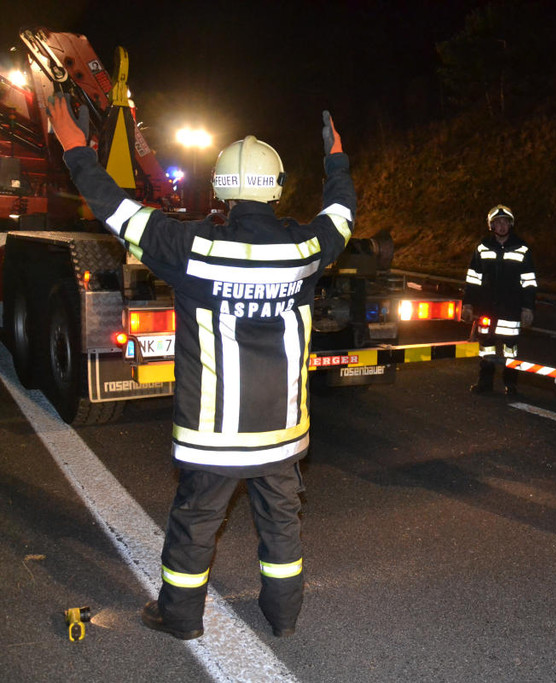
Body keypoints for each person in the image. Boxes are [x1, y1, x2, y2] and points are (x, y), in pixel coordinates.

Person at [46, 94, 355, 640]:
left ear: (221, 189)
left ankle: (181, 617)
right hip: (282, 433)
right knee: (282, 528)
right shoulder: (305, 249)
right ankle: (283, 618)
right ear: (276, 188)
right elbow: (342, 215)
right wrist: (336, 161)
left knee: (194, 525)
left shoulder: (191, 247)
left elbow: (115, 210)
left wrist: (75, 148)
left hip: (213, 436)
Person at [461, 204, 537, 396]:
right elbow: (473, 278)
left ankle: (511, 385)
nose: (502, 226)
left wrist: (528, 308)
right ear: (491, 225)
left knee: (511, 349)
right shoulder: (482, 247)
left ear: (511, 224)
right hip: (486, 308)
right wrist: (468, 304)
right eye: (498, 222)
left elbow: (529, 281)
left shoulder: (522, 248)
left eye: (505, 222)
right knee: (486, 346)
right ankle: (485, 383)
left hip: (511, 309)